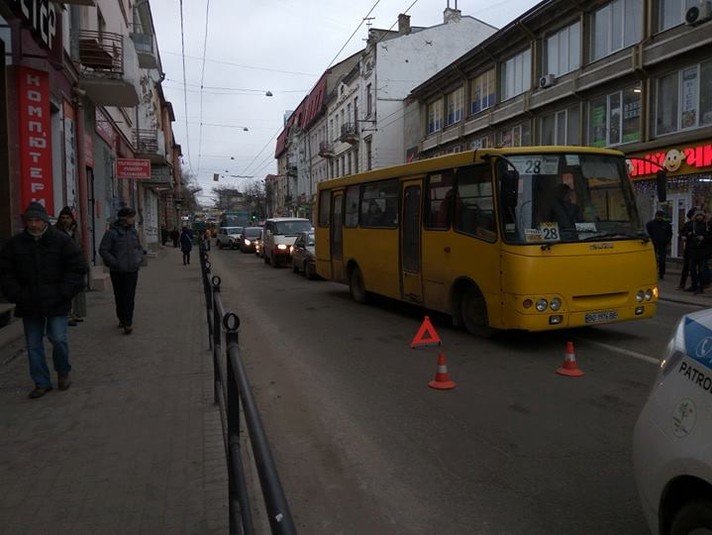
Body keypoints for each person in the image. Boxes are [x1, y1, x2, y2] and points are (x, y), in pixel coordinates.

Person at [0, 202, 88, 398]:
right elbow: (6, 273)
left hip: (57, 301)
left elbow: (77, 268)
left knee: (58, 339)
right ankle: (41, 382)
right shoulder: (15, 244)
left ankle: (63, 372)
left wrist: (64, 292)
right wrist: (17, 294)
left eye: (37, 220)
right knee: (33, 344)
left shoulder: (61, 241)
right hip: (29, 302)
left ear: (45, 221)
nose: (33, 224)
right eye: (29, 221)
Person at [99, 207, 145, 334]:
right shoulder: (112, 233)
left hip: (132, 270)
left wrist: (139, 258)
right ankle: (121, 318)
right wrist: (114, 263)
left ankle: (128, 322)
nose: (133, 219)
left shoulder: (133, 232)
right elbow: (103, 250)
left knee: (129, 296)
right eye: (131, 217)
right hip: (118, 271)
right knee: (120, 296)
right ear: (124, 218)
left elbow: (139, 247)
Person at [55, 206, 86, 326]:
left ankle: (73, 313)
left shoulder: (75, 232)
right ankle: (66, 316)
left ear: (72, 219)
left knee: (74, 292)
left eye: (67, 218)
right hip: (61, 266)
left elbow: (80, 247)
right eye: (62, 218)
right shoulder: (56, 232)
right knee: (64, 292)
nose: (65, 220)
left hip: (73, 266)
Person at [683, 210, 711, 294]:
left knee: (701, 270)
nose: (699, 217)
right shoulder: (693, 225)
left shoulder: (707, 225)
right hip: (694, 250)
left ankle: (700, 286)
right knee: (692, 269)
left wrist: (704, 238)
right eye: (698, 215)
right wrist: (688, 235)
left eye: (701, 215)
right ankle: (694, 285)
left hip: (703, 251)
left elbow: (710, 237)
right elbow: (685, 232)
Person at [645, 210, 673, 280]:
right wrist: (652, 239)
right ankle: (652, 272)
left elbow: (670, 233)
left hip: (663, 244)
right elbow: (648, 231)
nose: (659, 218)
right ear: (656, 216)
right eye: (658, 216)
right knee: (653, 259)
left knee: (662, 260)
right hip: (654, 243)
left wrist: (667, 241)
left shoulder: (666, 224)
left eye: (661, 216)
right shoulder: (651, 224)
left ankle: (661, 273)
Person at [677, 208, 695, 290]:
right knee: (686, 267)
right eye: (693, 215)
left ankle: (694, 284)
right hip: (689, 248)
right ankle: (682, 284)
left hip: (697, 249)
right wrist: (686, 234)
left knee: (693, 268)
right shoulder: (688, 224)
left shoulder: (701, 224)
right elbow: (682, 233)